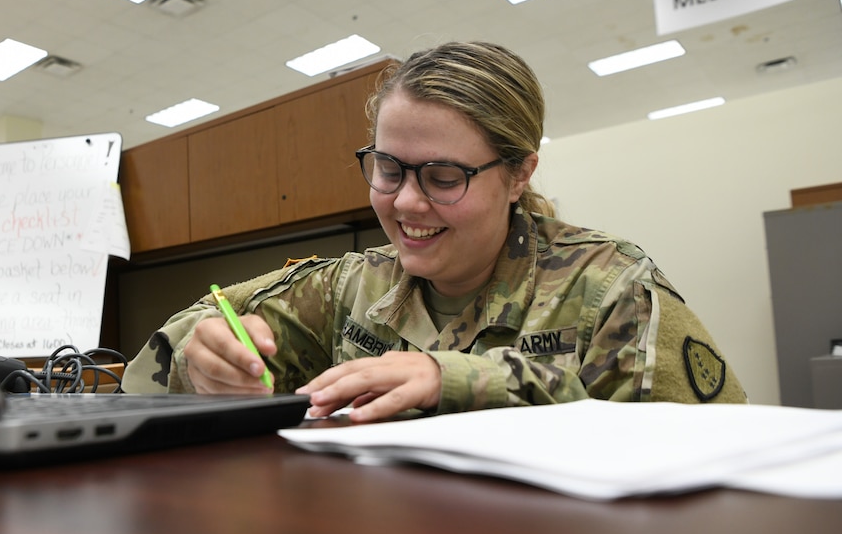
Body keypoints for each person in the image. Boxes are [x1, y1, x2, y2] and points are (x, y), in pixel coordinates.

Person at [122, 41, 746, 421]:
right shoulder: (348, 289)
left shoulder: (610, 287)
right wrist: (205, 370)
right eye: (389, 169)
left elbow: (704, 445)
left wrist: (453, 381)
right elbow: (150, 371)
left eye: (445, 176)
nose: (407, 203)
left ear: (520, 172)